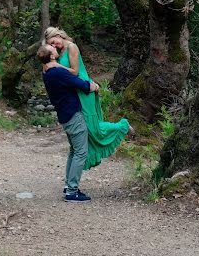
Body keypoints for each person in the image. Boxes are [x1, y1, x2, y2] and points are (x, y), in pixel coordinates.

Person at [43, 26, 131, 172]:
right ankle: (79, 163)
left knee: (93, 127)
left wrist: (55, 65)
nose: (53, 46)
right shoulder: (60, 52)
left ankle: (122, 126)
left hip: (84, 89)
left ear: (59, 35)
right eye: (51, 45)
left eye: (53, 42)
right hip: (75, 91)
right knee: (87, 129)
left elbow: (75, 71)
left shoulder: (71, 47)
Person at [38, 44, 100, 203]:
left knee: (74, 150)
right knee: (81, 152)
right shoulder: (57, 72)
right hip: (73, 114)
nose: (55, 48)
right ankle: (72, 191)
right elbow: (80, 83)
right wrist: (92, 87)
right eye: (52, 49)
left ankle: (69, 186)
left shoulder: (46, 72)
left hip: (65, 115)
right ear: (51, 56)